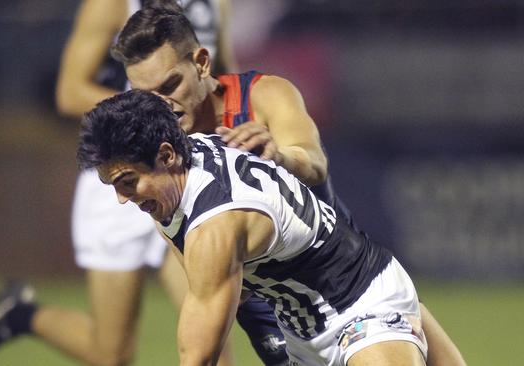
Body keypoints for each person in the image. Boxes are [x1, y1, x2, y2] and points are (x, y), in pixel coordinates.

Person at [111, 6, 465, 366]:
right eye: (147, 97)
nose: (163, 106)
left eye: (170, 86)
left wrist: (279, 155)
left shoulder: (262, 96)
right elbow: (202, 278)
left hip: (346, 287)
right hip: (281, 321)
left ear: (201, 63)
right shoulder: (166, 167)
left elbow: (314, 162)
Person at [0, 1, 287, 366]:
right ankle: (19, 316)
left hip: (186, 177)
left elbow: (225, 79)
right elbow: (70, 92)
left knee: (212, 345)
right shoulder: (114, 4)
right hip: (122, 185)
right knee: (112, 354)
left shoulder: (216, 4)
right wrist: (149, 117)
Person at [77, 89, 430, 365]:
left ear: (167, 156)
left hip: (362, 302)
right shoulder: (180, 176)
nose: (123, 199)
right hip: (303, 331)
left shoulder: (215, 224)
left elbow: (198, 357)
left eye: (128, 181)